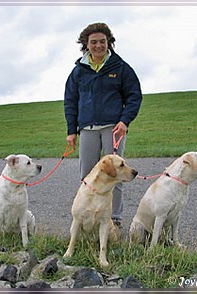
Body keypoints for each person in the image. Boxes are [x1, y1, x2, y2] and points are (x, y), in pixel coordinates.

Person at [64, 22, 142, 227]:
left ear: (109, 43)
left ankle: (113, 220)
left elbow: (134, 96)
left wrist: (125, 120)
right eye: (93, 42)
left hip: (113, 127)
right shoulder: (78, 71)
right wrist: (71, 131)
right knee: (87, 175)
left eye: (102, 41)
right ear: (86, 45)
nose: (98, 45)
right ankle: (84, 220)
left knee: (115, 175)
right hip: (87, 128)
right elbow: (70, 101)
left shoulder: (121, 68)